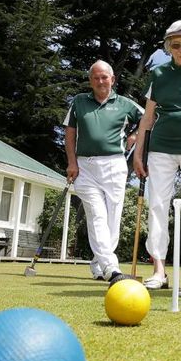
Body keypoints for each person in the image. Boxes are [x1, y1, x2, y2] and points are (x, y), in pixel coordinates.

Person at [133, 20, 181, 290]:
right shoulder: (159, 75)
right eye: (177, 45)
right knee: (158, 206)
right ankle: (159, 270)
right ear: (169, 47)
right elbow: (147, 119)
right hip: (161, 149)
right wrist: (138, 154)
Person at [64, 60, 143, 283]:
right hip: (85, 166)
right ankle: (111, 268)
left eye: (104, 77)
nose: (100, 81)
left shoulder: (126, 104)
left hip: (115, 165)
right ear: (91, 81)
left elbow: (149, 118)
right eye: (96, 77)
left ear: (112, 79)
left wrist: (135, 135)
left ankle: (98, 264)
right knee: (97, 215)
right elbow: (69, 134)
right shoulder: (79, 102)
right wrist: (72, 162)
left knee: (112, 218)